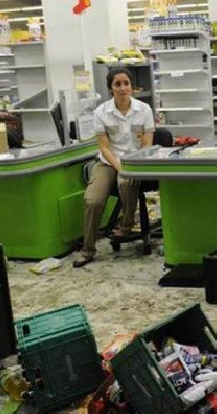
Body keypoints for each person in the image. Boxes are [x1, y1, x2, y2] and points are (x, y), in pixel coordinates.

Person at [74, 67, 154, 268]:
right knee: (93, 200)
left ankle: (126, 224)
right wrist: (118, 166)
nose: (122, 88)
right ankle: (88, 249)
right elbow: (104, 147)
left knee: (126, 182)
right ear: (111, 88)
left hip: (136, 160)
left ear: (132, 87)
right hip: (108, 161)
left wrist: (131, 167)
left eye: (126, 83)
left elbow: (147, 145)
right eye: (117, 84)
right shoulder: (101, 113)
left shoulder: (144, 110)